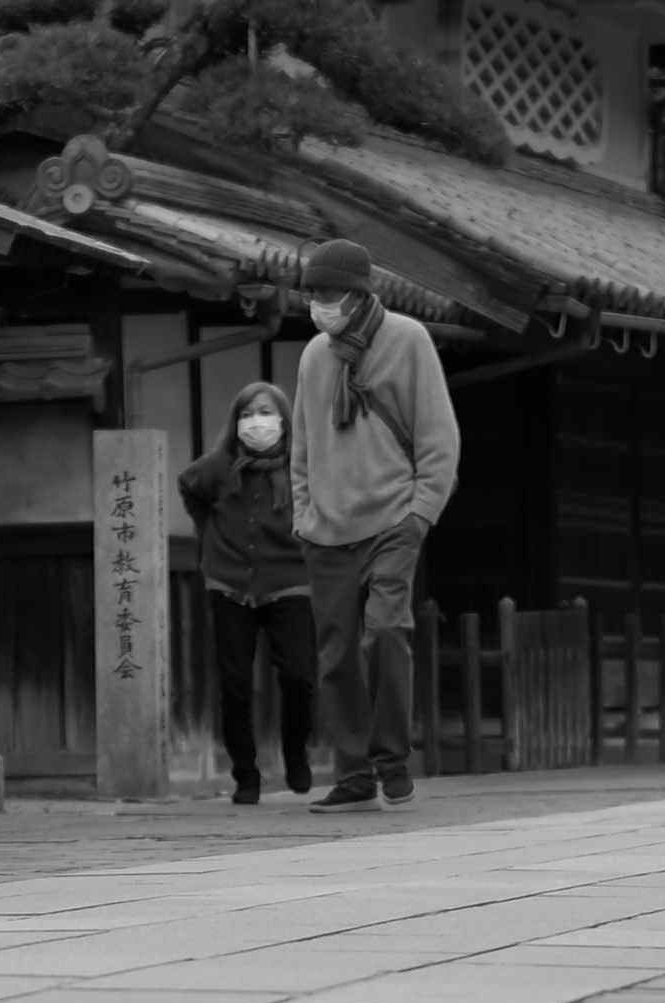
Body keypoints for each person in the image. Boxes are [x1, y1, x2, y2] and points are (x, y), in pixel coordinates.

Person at [286, 242, 458, 812]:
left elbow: (439, 436)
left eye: (328, 292)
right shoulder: (314, 355)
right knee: (335, 657)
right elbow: (302, 444)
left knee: (385, 633)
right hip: (327, 530)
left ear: (359, 294)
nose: (318, 302)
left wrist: (420, 513)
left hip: (392, 520)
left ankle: (393, 760)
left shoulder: (408, 339)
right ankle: (354, 773)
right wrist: (304, 513)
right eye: (312, 293)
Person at [174, 373, 321, 802]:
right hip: (230, 581)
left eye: (265, 412)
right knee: (235, 683)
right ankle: (246, 774)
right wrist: (208, 532)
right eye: (247, 413)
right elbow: (188, 485)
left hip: (290, 580)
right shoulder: (219, 466)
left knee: (299, 676)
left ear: (284, 420)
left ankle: (296, 753)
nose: (256, 421)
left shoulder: (302, 466)